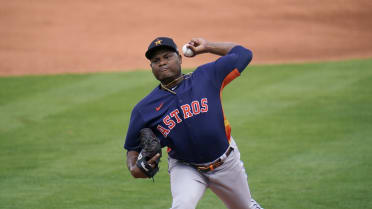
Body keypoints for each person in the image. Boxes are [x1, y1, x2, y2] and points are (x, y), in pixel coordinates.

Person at [124, 37, 263, 209]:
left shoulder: (206, 76)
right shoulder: (143, 109)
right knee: (182, 206)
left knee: (244, 207)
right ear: (151, 67)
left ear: (180, 58)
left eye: (167, 57)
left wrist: (207, 47)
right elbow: (132, 148)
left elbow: (243, 54)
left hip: (226, 163)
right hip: (186, 168)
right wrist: (134, 168)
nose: (162, 63)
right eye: (156, 60)